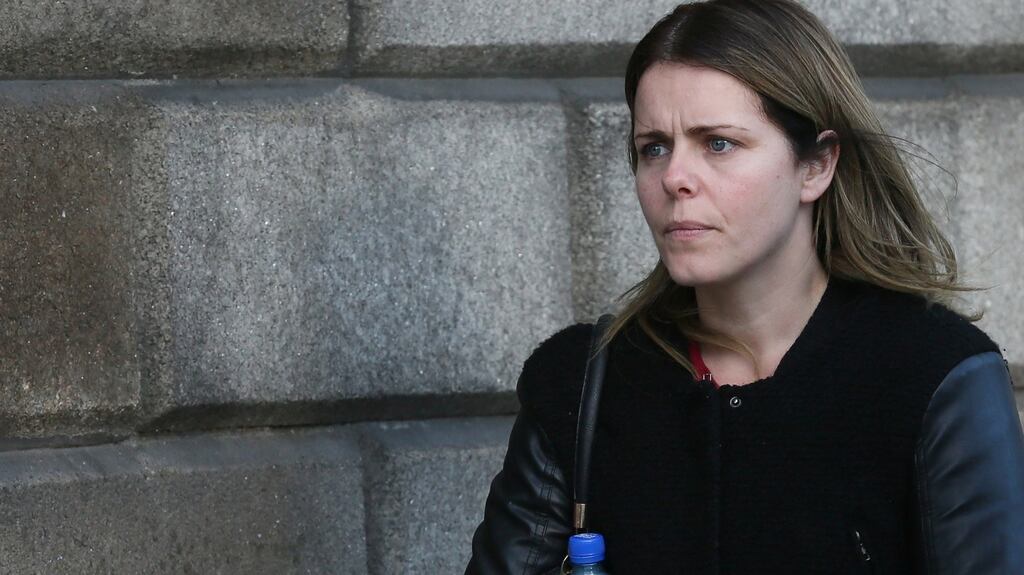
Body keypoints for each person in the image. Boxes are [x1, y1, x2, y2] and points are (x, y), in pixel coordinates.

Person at [465, 0, 1024, 573]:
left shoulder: (934, 376)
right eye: (654, 146)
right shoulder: (580, 382)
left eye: (718, 143)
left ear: (817, 166)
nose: (675, 177)